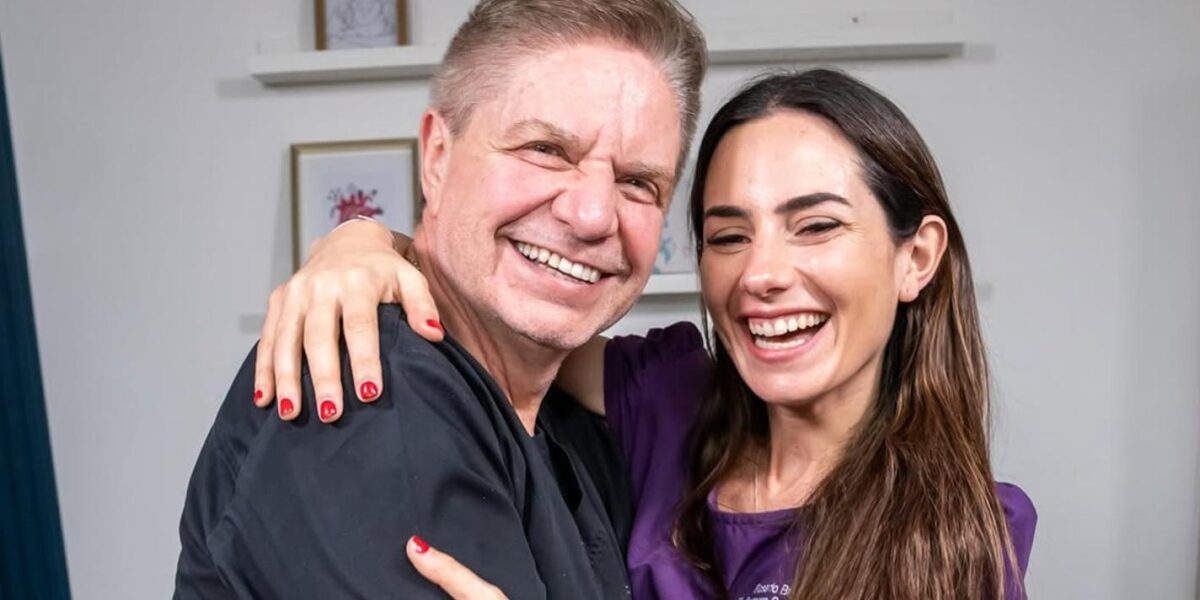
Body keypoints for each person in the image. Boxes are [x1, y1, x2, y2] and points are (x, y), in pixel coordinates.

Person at [254, 70, 1038, 599]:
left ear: (916, 258)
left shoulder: (965, 539)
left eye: (816, 226)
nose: (762, 274)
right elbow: (498, 308)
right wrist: (361, 247)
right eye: (728, 237)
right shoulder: (670, 401)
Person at [173, 1, 707, 598]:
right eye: (546, 150)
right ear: (437, 157)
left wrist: (366, 236)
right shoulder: (369, 391)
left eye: (638, 182)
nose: (592, 215)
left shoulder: (572, 419)